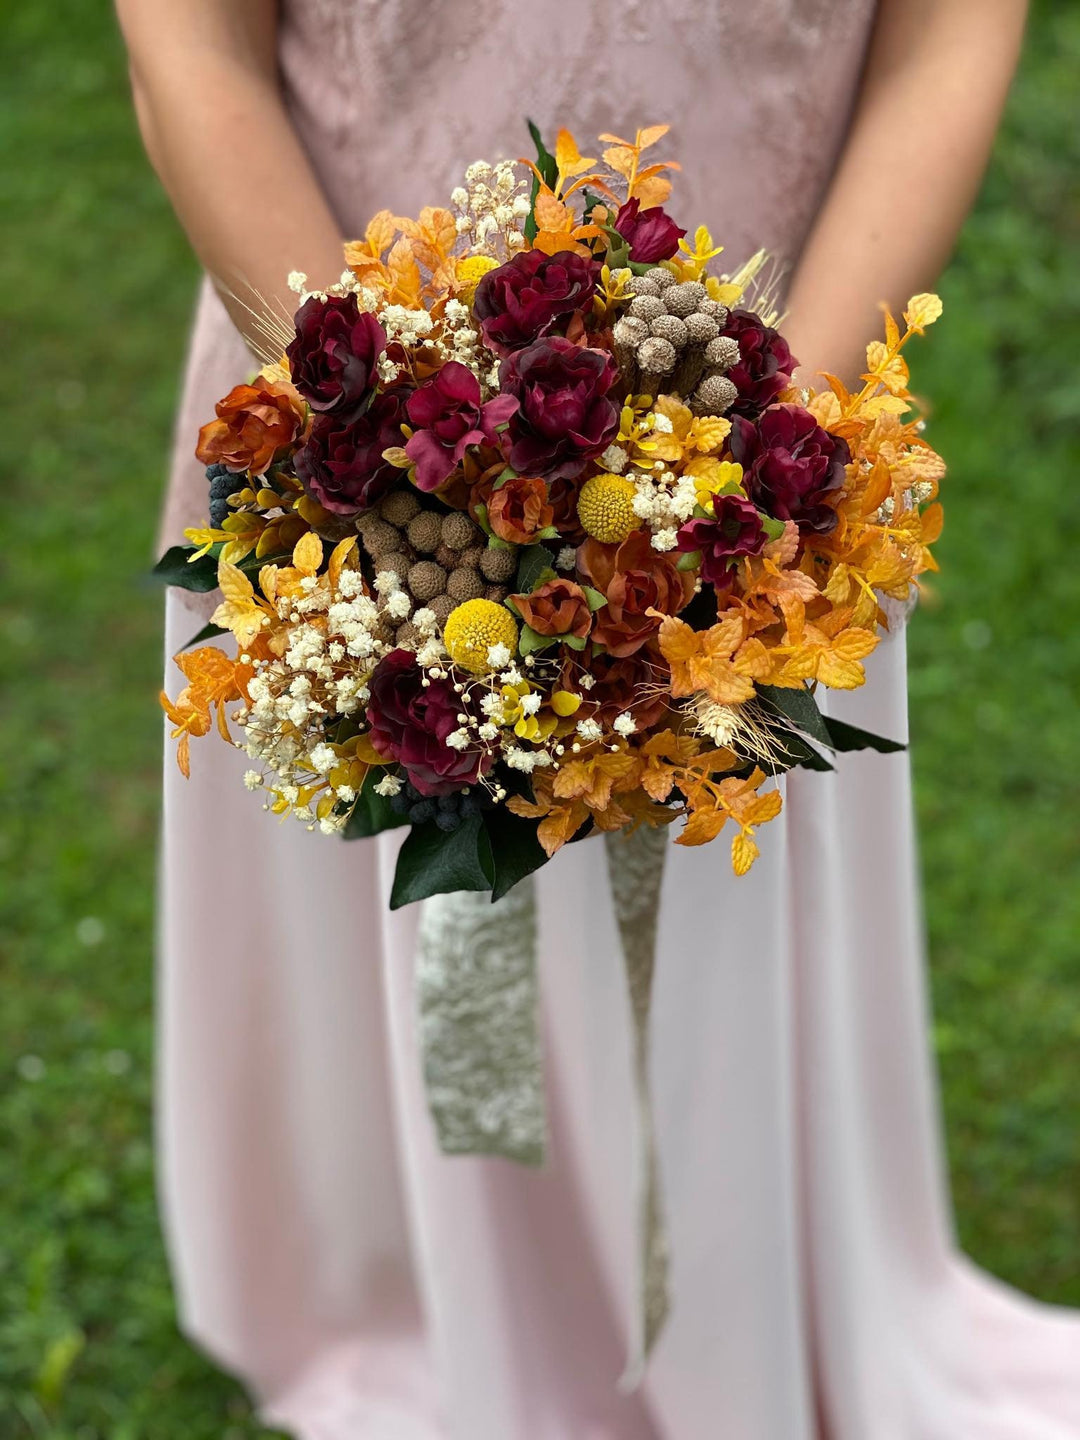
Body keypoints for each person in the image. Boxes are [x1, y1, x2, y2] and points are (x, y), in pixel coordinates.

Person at [117, 2, 1080, 1436]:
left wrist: (764, 467)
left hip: (751, 438)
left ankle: (732, 1313)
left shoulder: (754, 472)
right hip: (336, 397)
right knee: (416, 859)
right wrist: (379, 444)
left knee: (709, 881)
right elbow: (193, 48)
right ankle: (405, 1284)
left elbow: (944, 38)